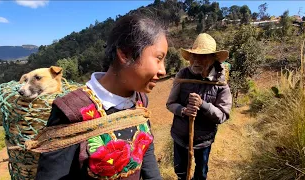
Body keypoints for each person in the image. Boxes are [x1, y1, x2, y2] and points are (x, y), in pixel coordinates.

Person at [36, 14, 168, 180]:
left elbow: (145, 147)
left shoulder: (140, 101)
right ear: (125, 54)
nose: (163, 70)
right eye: (158, 58)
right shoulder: (72, 111)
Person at [166, 33, 232, 180]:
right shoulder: (183, 75)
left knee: (201, 173)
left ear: (212, 59)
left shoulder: (220, 83)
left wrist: (203, 104)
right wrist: (183, 110)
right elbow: (170, 103)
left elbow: (223, 115)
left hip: (204, 140)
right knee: (181, 172)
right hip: (180, 136)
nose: (196, 60)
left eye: (202, 56)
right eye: (194, 56)